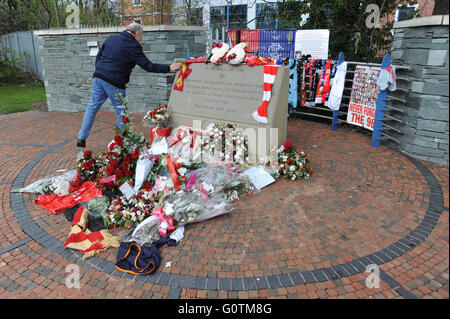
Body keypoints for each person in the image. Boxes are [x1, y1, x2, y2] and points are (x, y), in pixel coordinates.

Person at [76, 22, 181, 148]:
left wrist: (100, 70)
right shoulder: (133, 46)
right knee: (121, 114)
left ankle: (81, 138)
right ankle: (123, 144)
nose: (141, 39)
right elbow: (148, 65)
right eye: (141, 35)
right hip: (115, 83)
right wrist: (169, 68)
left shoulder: (111, 39)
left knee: (91, 108)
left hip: (99, 78)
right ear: (136, 34)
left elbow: (99, 56)